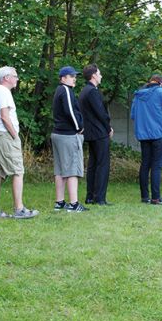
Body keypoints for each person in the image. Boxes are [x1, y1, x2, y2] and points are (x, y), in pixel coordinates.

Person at [0, 66, 39, 219]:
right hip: (6, 136)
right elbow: (4, 116)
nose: (17, 79)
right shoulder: (4, 92)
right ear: (6, 78)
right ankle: (19, 209)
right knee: (17, 171)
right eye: (15, 76)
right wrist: (15, 135)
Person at [130, 74, 162, 205]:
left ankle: (145, 197)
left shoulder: (138, 95)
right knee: (156, 165)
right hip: (160, 133)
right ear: (160, 83)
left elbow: (133, 115)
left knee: (145, 165)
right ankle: (156, 198)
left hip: (144, 135)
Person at [52, 66, 88, 212]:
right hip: (67, 135)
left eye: (75, 76)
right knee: (72, 169)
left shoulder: (59, 90)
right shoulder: (65, 90)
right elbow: (70, 111)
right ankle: (74, 204)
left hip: (58, 134)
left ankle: (59, 202)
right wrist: (79, 127)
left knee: (60, 169)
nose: (75, 79)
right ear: (63, 78)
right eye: (72, 76)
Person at [79, 64, 113, 206]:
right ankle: (99, 197)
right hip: (99, 133)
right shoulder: (92, 91)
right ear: (93, 75)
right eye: (99, 73)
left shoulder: (84, 91)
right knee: (102, 164)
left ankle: (90, 196)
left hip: (90, 133)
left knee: (93, 164)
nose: (101, 76)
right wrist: (108, 128)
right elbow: (101, 113)